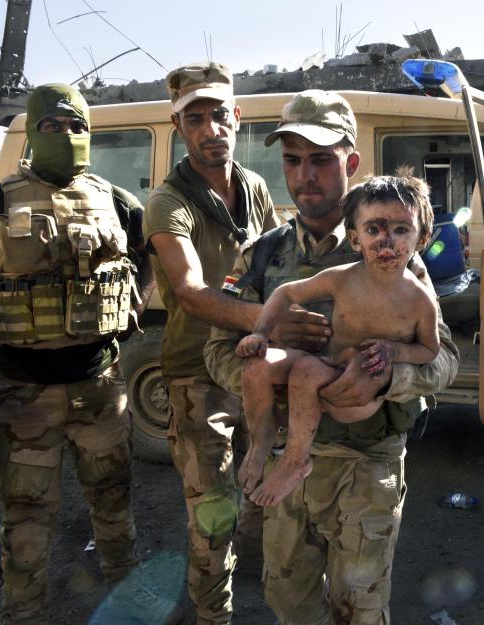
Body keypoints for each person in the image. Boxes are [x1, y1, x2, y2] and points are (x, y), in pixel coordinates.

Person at [203, 90, 459, 625]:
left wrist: (387, 375)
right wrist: (266, 343)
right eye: (292, 161)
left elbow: (445, 360)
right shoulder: (263, 254)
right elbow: (217, 352)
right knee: (288, 600)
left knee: (359, 607)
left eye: (320, 158)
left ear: (351, 161)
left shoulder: (388, 248)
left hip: (366, 461)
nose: (305, 176)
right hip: (285, 462)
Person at [0, 84, 175, 625]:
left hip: (99, 389)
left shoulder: (116, 200)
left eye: (76, 126)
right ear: (34, 133)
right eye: (52, 126)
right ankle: (26, 615)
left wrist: (137, 294)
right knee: (27, 523)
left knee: (114, 510)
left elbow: (149, 251)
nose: (66, 136)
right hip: (24, 396)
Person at [143, 61, 282, 625]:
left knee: (265, 483)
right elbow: (191, 291)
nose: (210, 129)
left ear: (237, 118)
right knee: (212, 507)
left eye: (219, 115)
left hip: (254, 363)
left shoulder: (254, 187)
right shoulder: (167, 201)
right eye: (195, 119)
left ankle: (259, 578)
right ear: (179, 127)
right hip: (198, 373)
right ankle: (212, 615)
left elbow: (277, 263)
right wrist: (269, 318)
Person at [236, 173, 440, 508]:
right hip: (327, 366)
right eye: (373, 229)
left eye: (401, 229)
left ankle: (296, 460)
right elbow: (286, 293)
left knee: (305, 371)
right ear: (355, 238)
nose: (387, 240)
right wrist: (260, 332)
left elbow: (430, 350)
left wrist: (393, 351)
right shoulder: (344, 279)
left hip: (360, 391)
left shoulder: (420, 300)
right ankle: (260, 444)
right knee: (257, 369)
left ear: (423, 238)